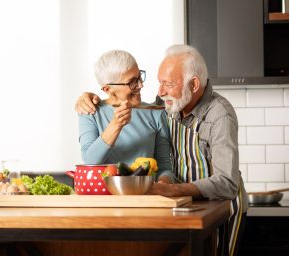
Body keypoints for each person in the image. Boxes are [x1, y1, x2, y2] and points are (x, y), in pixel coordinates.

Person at [75, 44, 248, 256]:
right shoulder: (168, 103)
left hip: (221, 206)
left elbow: (227, 183)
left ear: (193, 85)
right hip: (185, 204)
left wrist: (172, 189)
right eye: (159, 82)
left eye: (168, 84)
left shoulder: (219, 115)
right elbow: (92, 152)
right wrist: (88, 96)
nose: (159, 92)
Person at [79, 49, 172, 182]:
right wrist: (116, 125)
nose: (141, 85)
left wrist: (163, 185)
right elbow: (90, 161)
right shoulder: (90, 112)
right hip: (104, 198)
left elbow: (164, 166)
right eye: (132, 82)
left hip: (145, 195)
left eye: (140, 77)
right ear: (108, 89)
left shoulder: (156, 113)